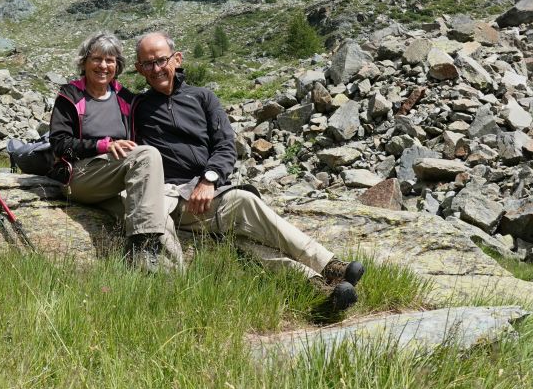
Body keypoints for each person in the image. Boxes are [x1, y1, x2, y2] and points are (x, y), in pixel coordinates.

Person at [131, 31, 364, 309]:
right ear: (139, 69)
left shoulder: (203, 98)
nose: (156, 69)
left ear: (177, 59)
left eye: (161, 60)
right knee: (243, 202)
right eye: (148, 64)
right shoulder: (137, 107)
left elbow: (225, 146)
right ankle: (329, 264)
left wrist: (209, 179)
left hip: (209, 193)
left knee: (244, 244)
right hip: (172, 198)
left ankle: (321, 289)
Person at [49, 31, 183, 272]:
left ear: (117, 66)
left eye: (110, 61)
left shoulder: (126, 98)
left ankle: (171, 278)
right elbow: (59, 143)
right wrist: (103, 145)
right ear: (85, 62)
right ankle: (143, 253)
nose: (103, 66)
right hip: (81, 177)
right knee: (148, 154)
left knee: (156, 216)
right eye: (97, 59)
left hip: (115, 180)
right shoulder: (70, 95)